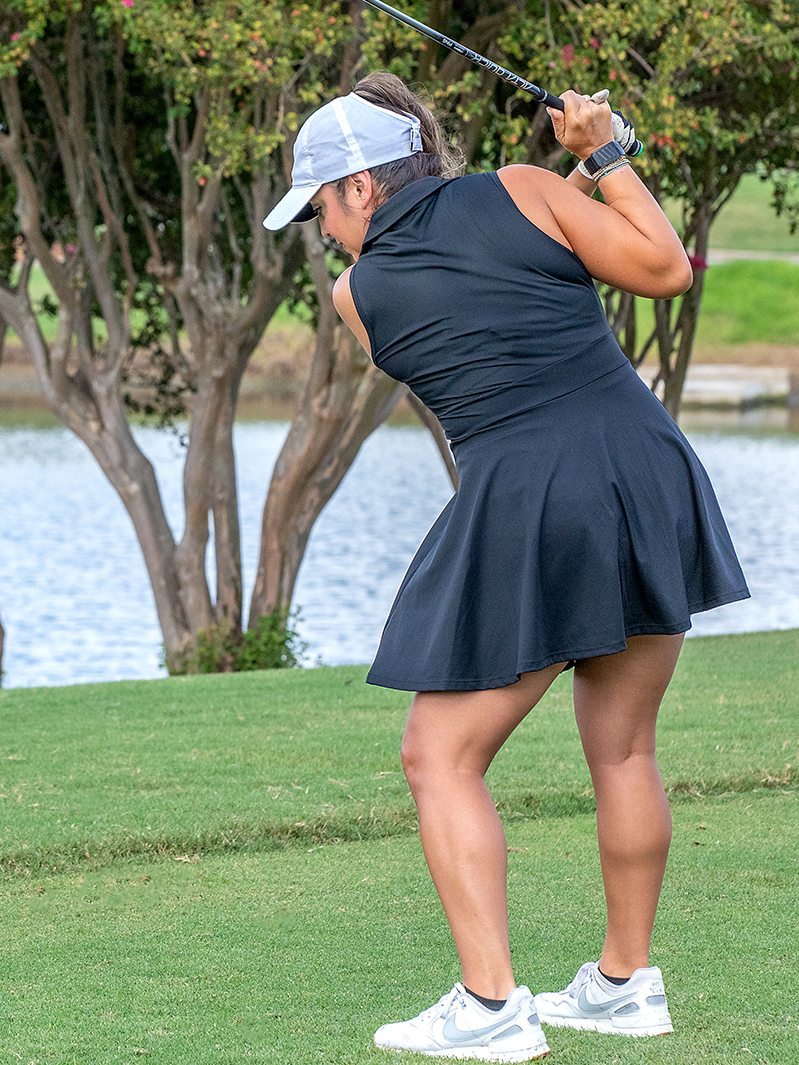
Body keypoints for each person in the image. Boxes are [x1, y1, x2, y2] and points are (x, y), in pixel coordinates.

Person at [264, 74, 747, 1060]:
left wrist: (584, 171)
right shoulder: (524, 189)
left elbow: (481, 287)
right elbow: (655, 265)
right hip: (646, 469)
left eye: (321, 209)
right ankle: (624, 984)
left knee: (438, 755)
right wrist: (603, 155)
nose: (325, 234)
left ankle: (491, 1007)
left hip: (534, 494)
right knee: (624, 750)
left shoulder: (359, 296)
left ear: (360, 186)